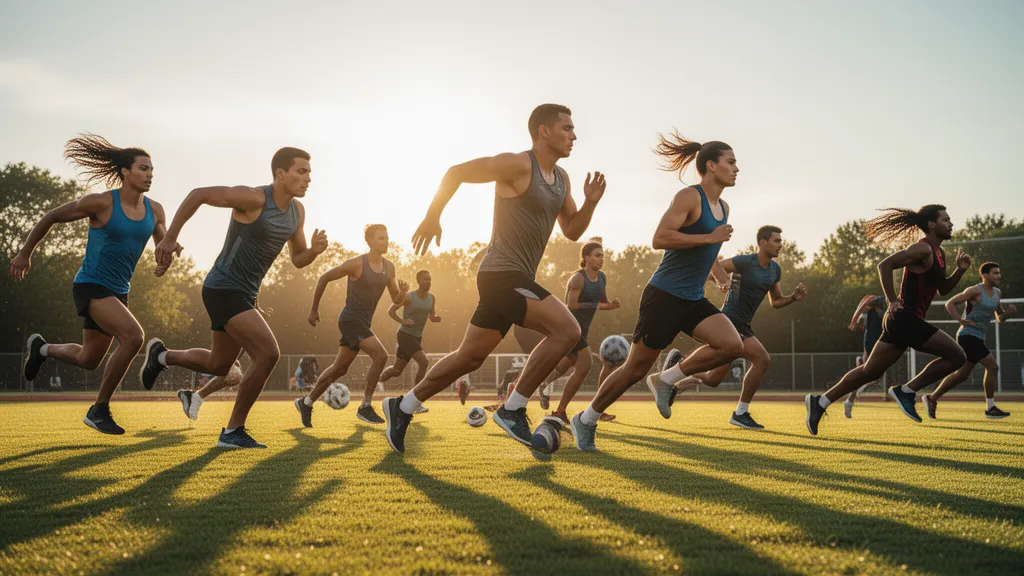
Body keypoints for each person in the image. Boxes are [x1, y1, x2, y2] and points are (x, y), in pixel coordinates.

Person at [383, 103, 607, 453]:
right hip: (501, 273)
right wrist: (432, 216)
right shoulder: (518, 164)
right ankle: (513, 407)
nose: (574, 135)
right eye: (567, 128)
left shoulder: (562, 181)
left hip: (513, 278)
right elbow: (456, 171)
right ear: (544, 131)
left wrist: (591, 203)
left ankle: (403, 406)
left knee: (468, 358)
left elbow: (574, 230)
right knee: (567, 330)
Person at [141, 147, 328, 448]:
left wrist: (314, 252)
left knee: (219, 365)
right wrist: (170, 236)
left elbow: (298, 258)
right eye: (301, 171)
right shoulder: (254, 198)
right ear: (280, 174)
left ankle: (162, 355)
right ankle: (232, 431)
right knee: (268, 354)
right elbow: (198, 194)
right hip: (223, 286)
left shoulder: (297, 213)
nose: (308, 178)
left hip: (245, 294)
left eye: (310, 172)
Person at [571, 133, 741, 451]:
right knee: (634, 367)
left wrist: (718, 274)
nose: (736, 168)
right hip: (663, 295)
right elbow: (661, 238)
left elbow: (709, 252)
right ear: (711, 165)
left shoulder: (724, 207)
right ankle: (586, 419)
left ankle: (666, 379)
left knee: (731, 345)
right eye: (731, 162)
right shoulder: (689, 197)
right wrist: (708, 238)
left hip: (691, 298)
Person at [11, 134, 174, 434]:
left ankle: (42, 349)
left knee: (89, 360)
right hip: (91, 284)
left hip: (118, 291)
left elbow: (161, 243)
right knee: (134, 337)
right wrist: (24, 253)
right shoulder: (100, 203)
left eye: (152, 170)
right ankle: (99, 409)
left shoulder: (156, 210)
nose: (150, 174)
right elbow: (51, 217)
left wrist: (166, 255)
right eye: (143, 168)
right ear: (126, 172)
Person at [805, 205, 970, 435]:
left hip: (901, 322)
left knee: (869, 371)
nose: (951, 223)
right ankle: (907, 391)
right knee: (958, 356)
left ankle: (820, 402)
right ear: (932, 224)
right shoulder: (922, 249)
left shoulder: (940, 254)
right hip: (905, 318)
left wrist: (960, 271)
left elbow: (942, 289)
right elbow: (885, 265)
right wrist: (892, 300)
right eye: (946, 219)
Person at [671, 225, 807, 429]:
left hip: (743, 324)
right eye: (776, 241)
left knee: (713, 378)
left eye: (780, 241)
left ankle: (675, 374)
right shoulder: (745, 261)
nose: (781, 245)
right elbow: (713, 267)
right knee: (762, 360)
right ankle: (741, 413)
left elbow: (776, 301)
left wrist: (794, 298)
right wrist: (715, 283)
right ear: (762, 242)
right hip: (728, 321)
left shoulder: (774, 270)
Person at [296, 224, 408, 427]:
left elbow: (395, 298)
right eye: (381, 238)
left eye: (387, 237)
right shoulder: (356, 264)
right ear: (370, 241)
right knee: (381, 356)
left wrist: (402, 293)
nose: (386, 241)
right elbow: (324, 278)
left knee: (340, 369)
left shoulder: (389, 267)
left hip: (362, 322)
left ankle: (306, 402)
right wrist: (314, 309)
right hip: (350, 320)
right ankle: (365, 406)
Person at [926, 262, 1016, 419]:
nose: (998, 276)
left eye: (999, 273)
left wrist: (1008, 312)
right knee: (993, 367)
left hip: (979, 337)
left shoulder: (997, 293)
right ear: (985, 275)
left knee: (961, 376)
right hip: (967, 335)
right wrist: (960, 320)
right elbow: (950, 303)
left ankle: (931, 398)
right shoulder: (974, 290)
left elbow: (999, 318)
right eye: (995, 273)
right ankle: (990, 408)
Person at [547, 241, 621, 425]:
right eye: (597, 255)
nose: (601, 259)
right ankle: (561, 411)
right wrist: (600, 305)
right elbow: (571, 306)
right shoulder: (578, 279)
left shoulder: (602, 277)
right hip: (569, 326)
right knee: (584, 365)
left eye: (603, 255)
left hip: (583, 329)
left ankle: (538, 385)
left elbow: (602, 300)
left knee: (566, 364)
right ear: (586, 258)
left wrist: (611, 304)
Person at [378, 270, 441, 396]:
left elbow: (431, 315)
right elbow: (391, 311)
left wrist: (435, 318)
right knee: (424, 362)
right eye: (425, 279)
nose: (428, 282)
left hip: (417, 337)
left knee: (396, 370)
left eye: (430, 279)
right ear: (418, 281)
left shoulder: (432, 298)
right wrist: (402, 321)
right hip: (405, 335)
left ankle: (376, 379)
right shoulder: (409, 296)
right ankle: (415, 397)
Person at [843, 293, 890, 417]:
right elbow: (864, 307)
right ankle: (849, 400)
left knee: (875, 378)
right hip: (872, 345)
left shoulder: (875, 312)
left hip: (877, 344)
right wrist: (856, 318)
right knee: (866, 375)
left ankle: (852, 396)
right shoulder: (879, 308)